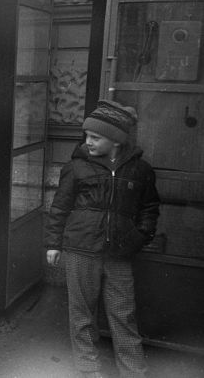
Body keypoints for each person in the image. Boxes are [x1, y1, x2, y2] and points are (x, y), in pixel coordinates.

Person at [44, 100, 160, 378]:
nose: (88, 142)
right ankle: (88, 370)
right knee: (82, 314)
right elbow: (60, 207)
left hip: (119, 254)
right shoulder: (76, 167)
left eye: (95, 137)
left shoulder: (140, 170)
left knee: (124, 315)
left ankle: (133, 371)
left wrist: (140, 236)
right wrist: (53, 243)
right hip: (81, 250)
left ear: (116, 141)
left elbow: (150, 208)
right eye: (87, 136)